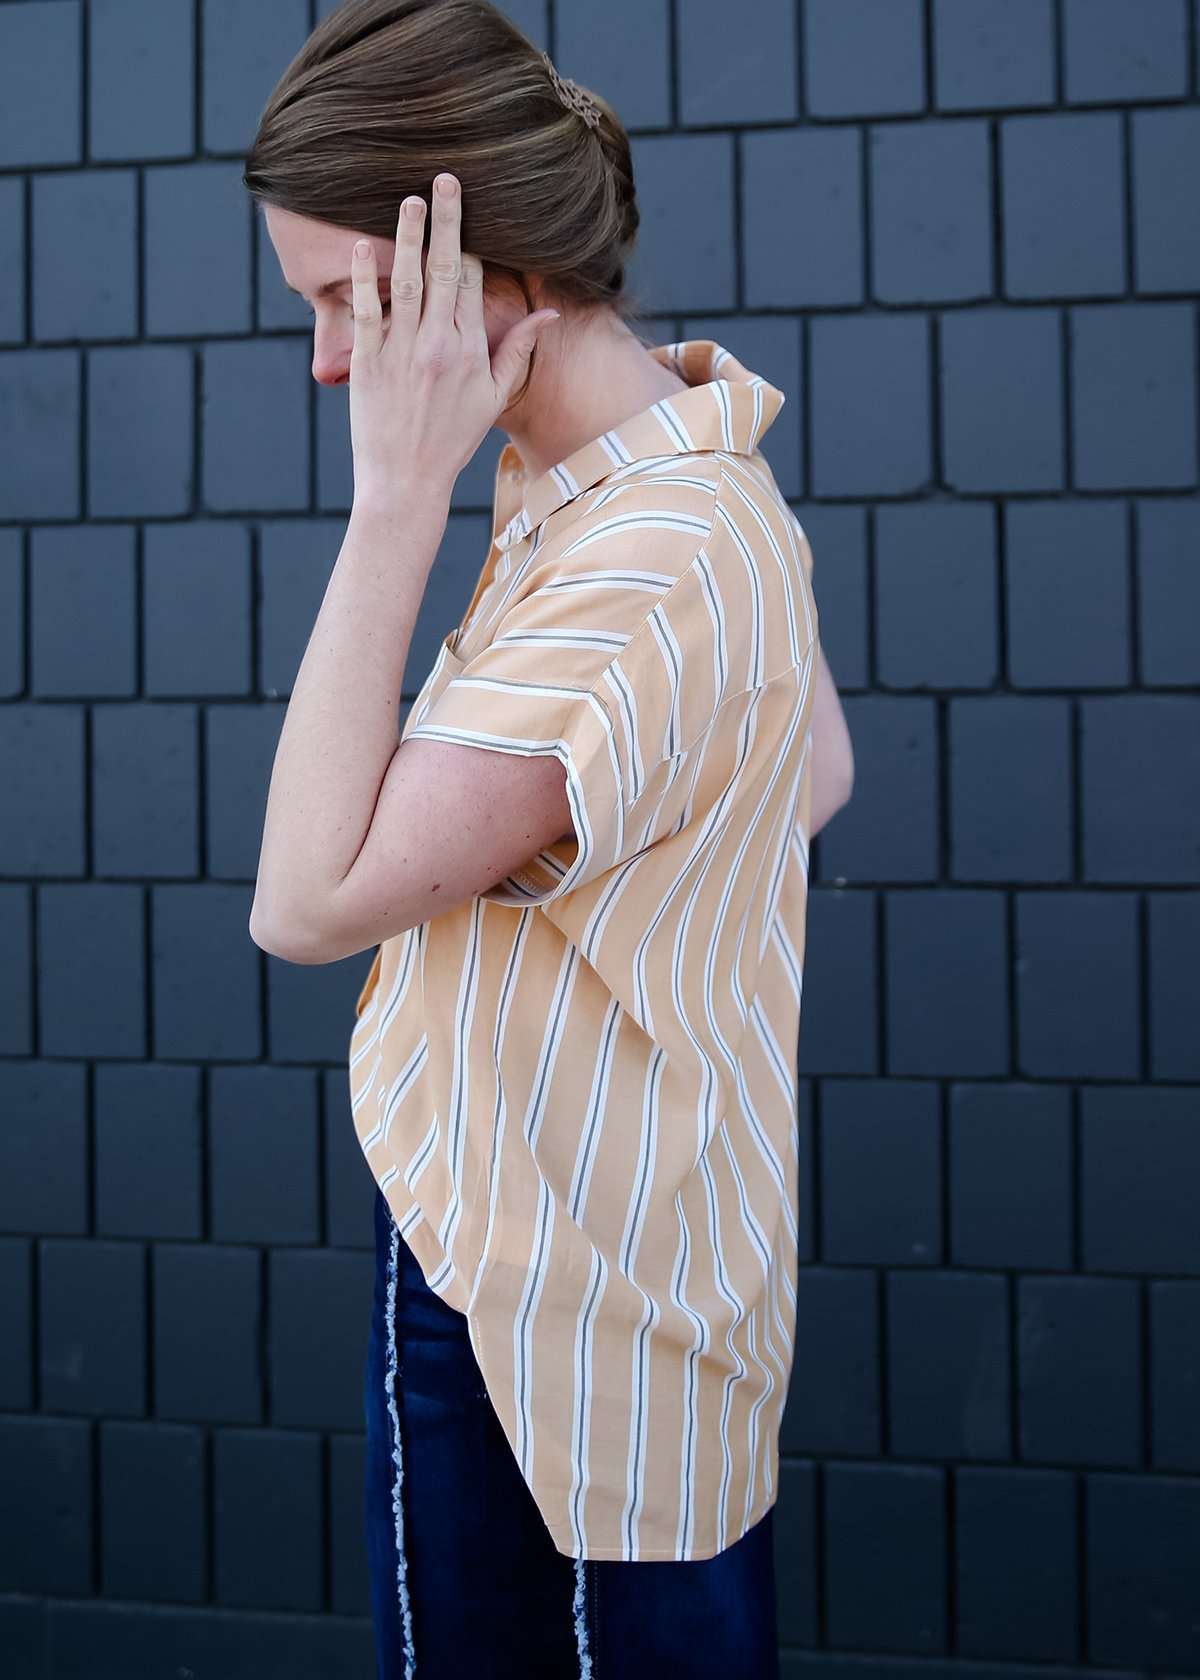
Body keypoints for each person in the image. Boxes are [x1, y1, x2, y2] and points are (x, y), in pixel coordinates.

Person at [243, 2, 854, 1675]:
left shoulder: (640, 557)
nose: (324, 361)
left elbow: (304, 903)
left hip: (542, 1302)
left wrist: (392, 504)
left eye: (340, 298)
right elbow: (813, 769)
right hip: (617, 1263)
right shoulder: (685, 477)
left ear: (479, 261)